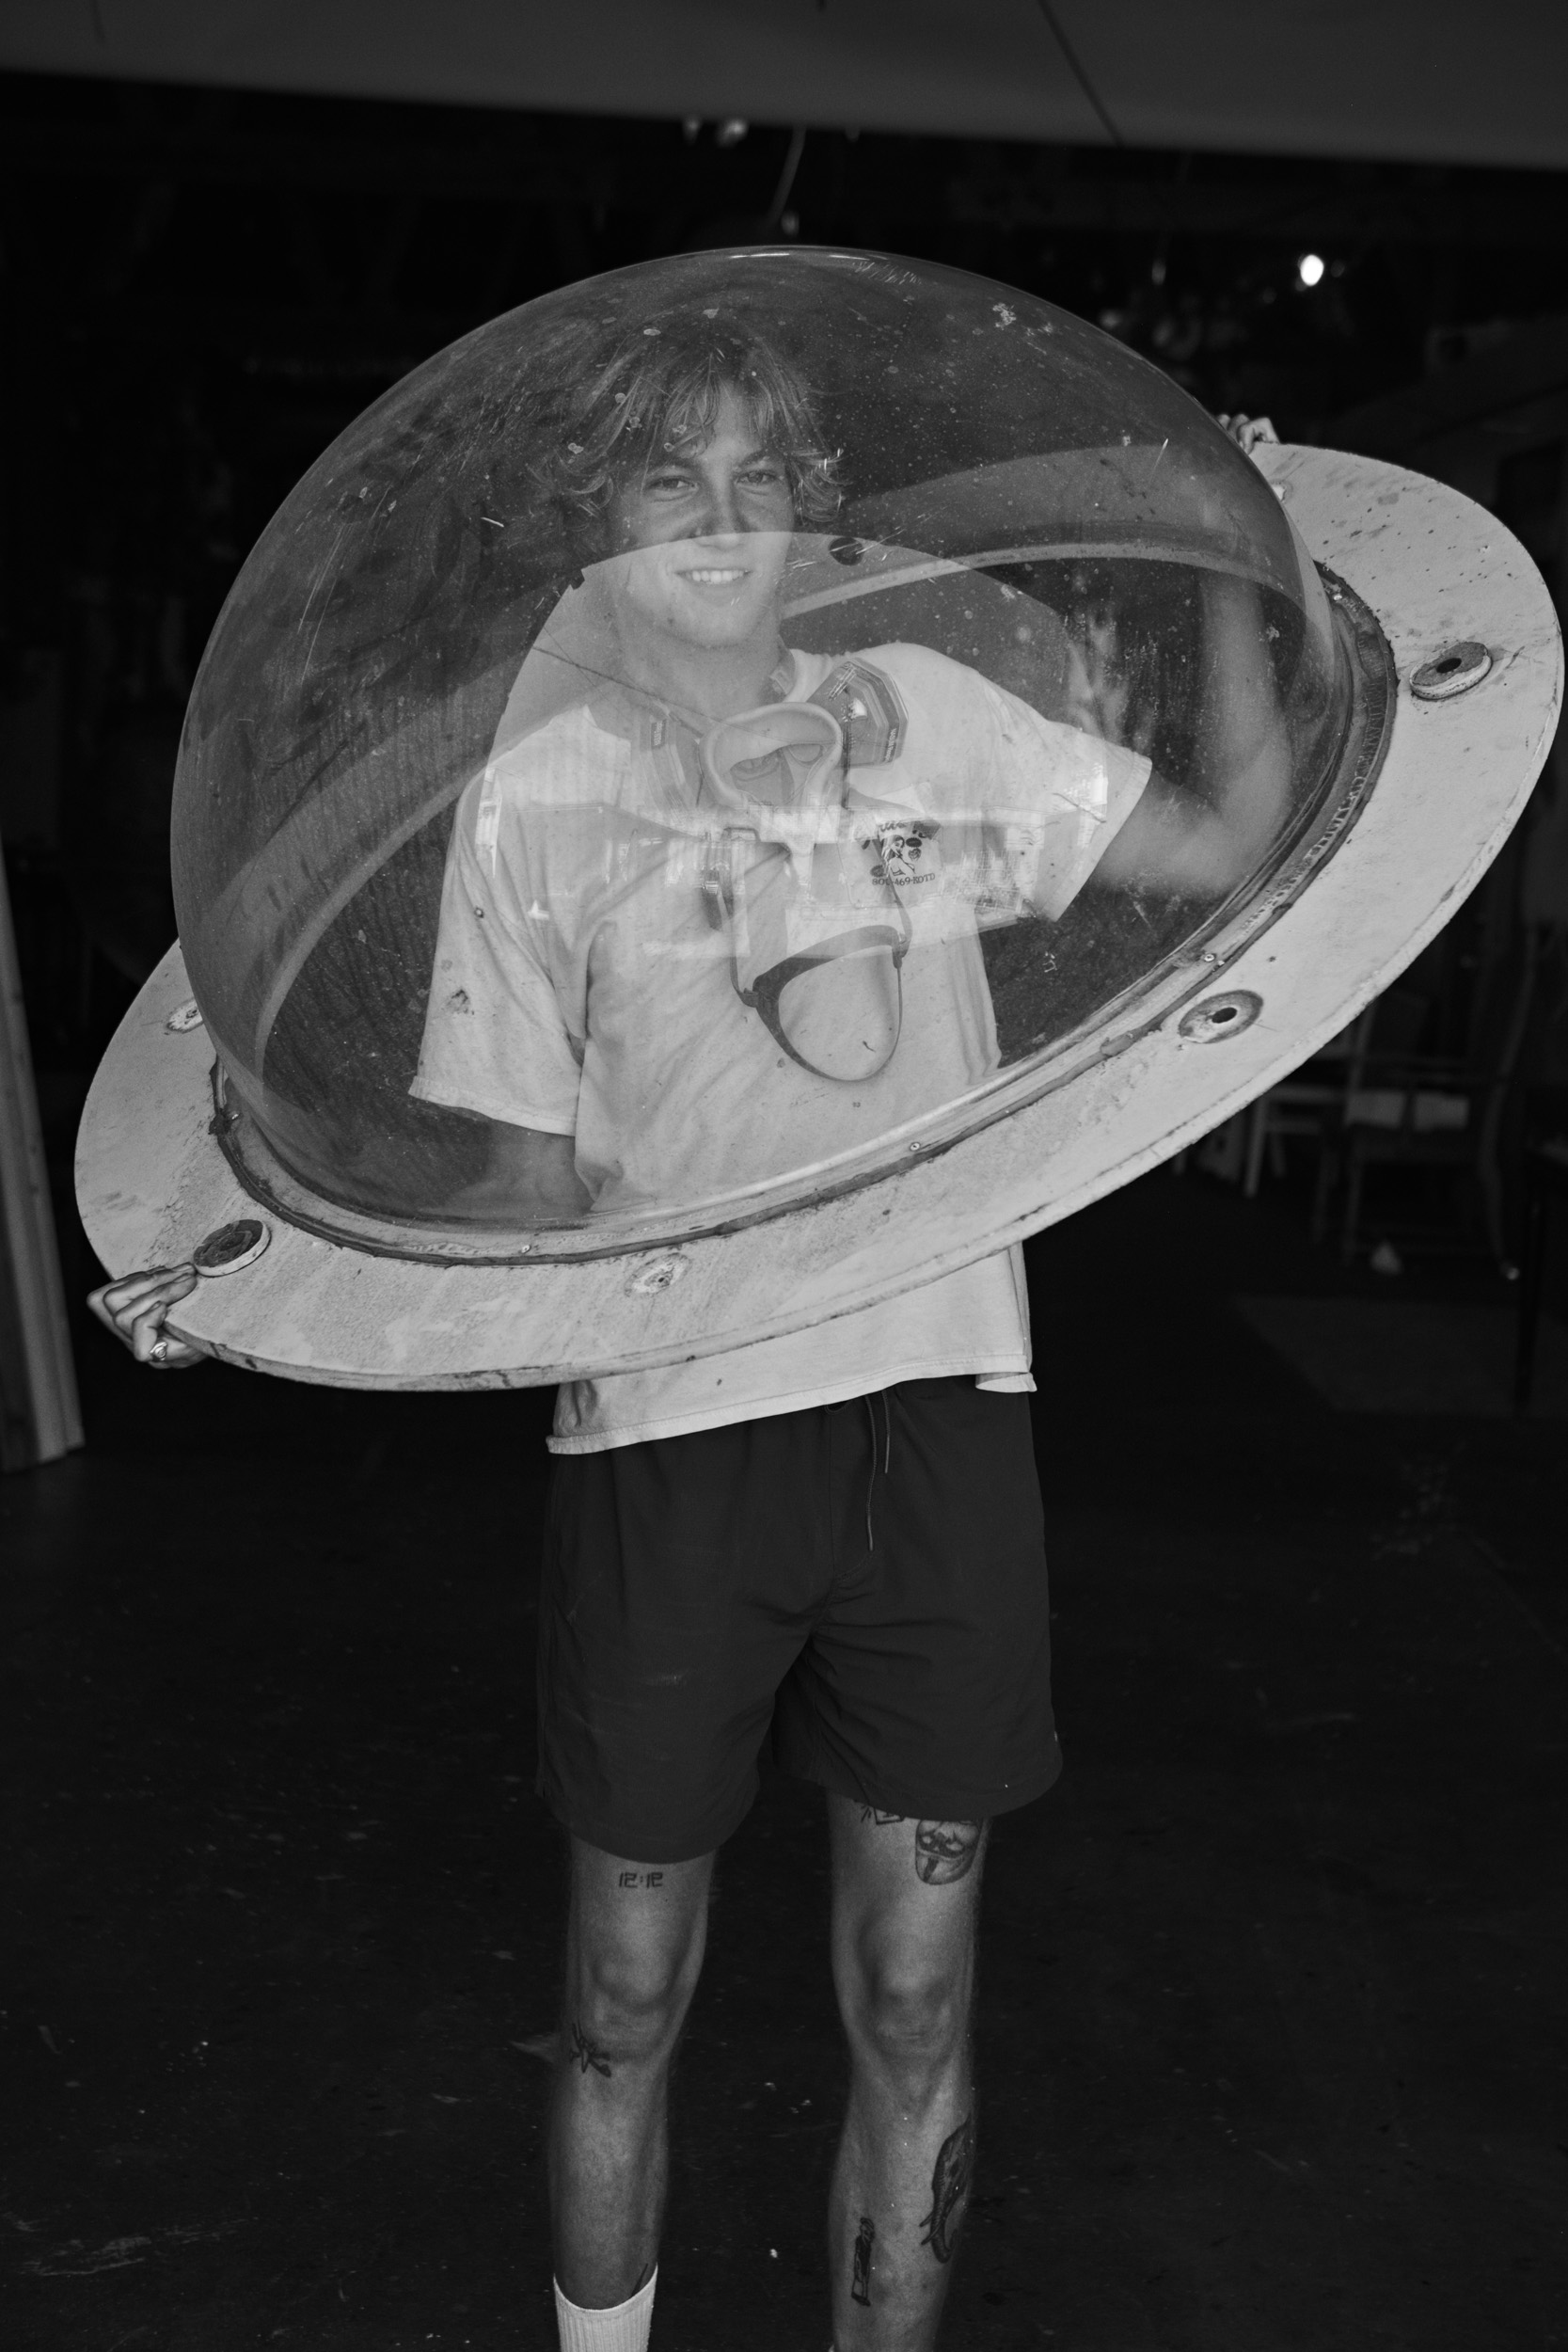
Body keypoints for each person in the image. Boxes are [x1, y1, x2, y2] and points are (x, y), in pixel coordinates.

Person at [94, 316, 1291, 2351]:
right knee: (623, 1996)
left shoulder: (925, 713)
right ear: (599, 526)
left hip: (936, 1402)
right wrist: (262, 1277)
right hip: (669, 1427)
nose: (727, 523)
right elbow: (519, 1186)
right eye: (674, 481)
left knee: (916, 1994)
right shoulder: (544, 794)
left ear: (810, 508)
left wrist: (1250, 584)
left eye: (763, 480)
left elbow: (1234, 847)